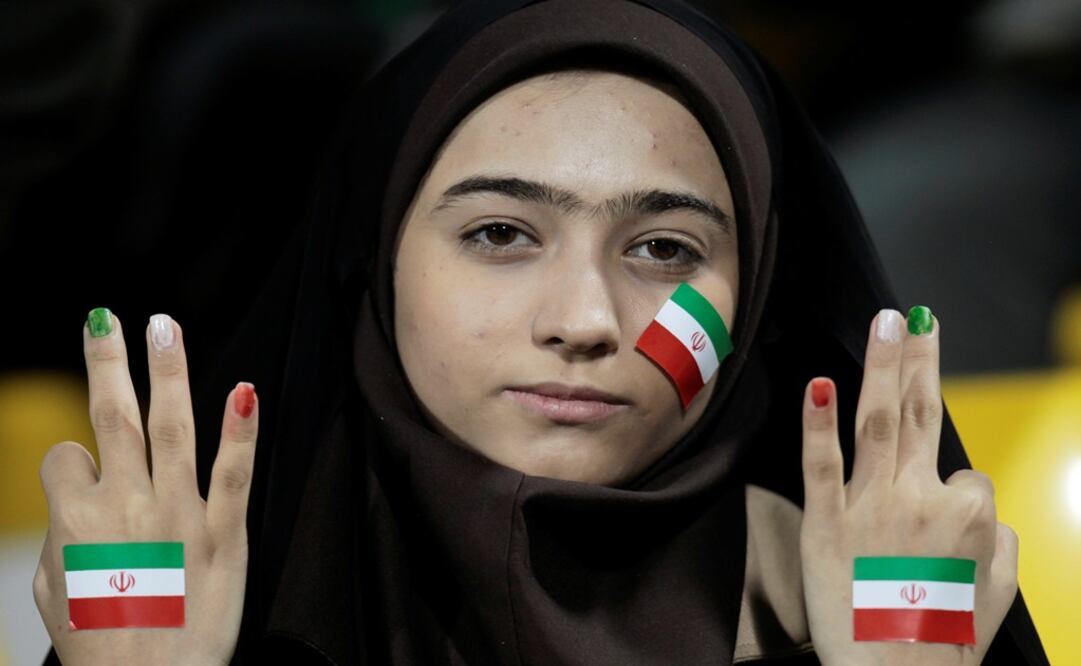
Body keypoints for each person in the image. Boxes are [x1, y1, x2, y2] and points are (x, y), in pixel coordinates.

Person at [34, 0, 1051, 663]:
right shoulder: (190, 599)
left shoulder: (901, 594)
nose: (583, 322)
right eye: (499, 233)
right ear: (374, 264)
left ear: (764, 291)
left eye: (661, 249)